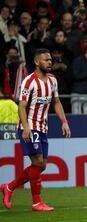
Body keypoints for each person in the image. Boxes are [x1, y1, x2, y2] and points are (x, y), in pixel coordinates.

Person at [1, 48, 71, 211]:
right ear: (37, 62)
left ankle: (9, 187)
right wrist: (26, 128)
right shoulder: (29, 81)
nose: (49, 62)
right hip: (30, 127)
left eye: (50, 60)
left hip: (43, 127)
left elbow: (56, 102)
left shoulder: (53, 80)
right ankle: (36, 202)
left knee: (42, 165)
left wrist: (64, 121)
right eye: (46, 60)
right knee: (38, 162)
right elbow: (22, 106)